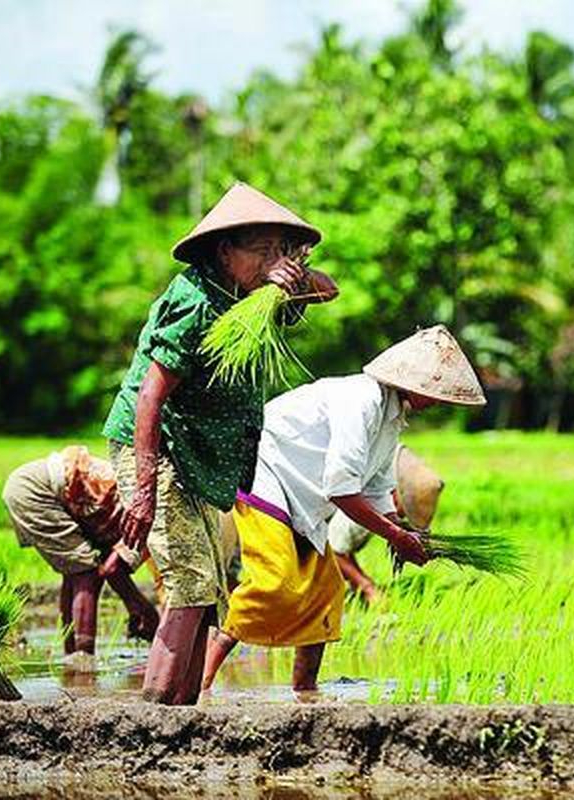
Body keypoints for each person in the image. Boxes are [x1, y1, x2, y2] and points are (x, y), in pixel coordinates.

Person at [103, 181, 338, 705]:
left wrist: (291, 279)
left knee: (209, 591)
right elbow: (150, 396)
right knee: (189, 581)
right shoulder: (196, 300)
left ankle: (183, 716)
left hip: (201, 457)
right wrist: (143, 491)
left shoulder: (258, 297)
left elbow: (329, 289)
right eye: (261, 250)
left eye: (280, 250)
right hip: (160, 450)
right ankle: (152, 717)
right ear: (225, 250)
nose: (271, 260)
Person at [201, 325, 486, 693]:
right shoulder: (362, 401)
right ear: (413, 382)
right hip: (266, 475)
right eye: (436, 391)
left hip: (302, 496)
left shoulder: (391, 419)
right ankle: (202, 684)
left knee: (326, 591)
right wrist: (396, 535)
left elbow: (378, 489)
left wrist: (403, 533)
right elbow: (341, 490)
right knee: (273, 582)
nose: (438, 402)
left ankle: (305, 691)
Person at [1, 445, 157, 668]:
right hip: (37, 491)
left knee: (75, 571)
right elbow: (111, 569)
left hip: (26, 482)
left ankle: (71, 657)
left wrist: (136, 606)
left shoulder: (137, 503)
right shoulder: (151, 521)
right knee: (86, 572)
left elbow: (109, 566)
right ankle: (84, 662)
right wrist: (143, 609)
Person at [327, 444, 444, 605]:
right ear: (394, 495)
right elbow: (332, 549)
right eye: (404, 512)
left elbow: (342, 545)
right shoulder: (367, 500)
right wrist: (368, 588)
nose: (402, 518)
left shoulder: (383, 458)